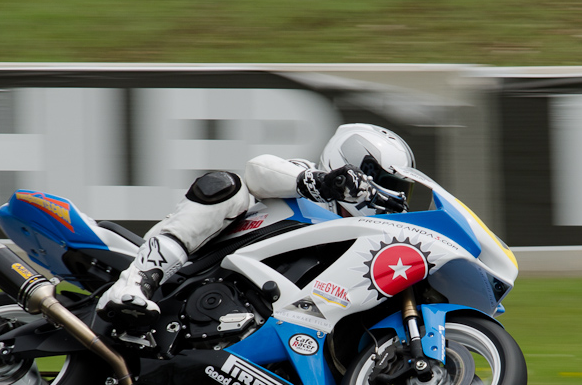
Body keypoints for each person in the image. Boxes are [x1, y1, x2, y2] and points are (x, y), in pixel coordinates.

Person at [97, 123, 415, 321]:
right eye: (386, 182)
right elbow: (258, 170)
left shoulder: (360, 238)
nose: (391, 194)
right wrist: (321, 182)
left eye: (400, 188)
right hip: (194, 264)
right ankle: (136, 281)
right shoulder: (306, 179)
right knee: (228, 186)